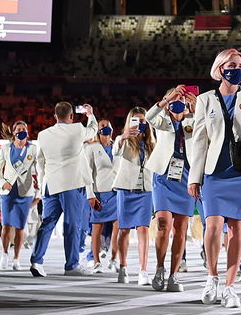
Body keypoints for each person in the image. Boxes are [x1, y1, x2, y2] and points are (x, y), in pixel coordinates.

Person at [189, 51, 241, 310]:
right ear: (220, 67)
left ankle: (230, 287)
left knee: (238, 231)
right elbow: (199, 141)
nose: (235, 68)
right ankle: (212, 278)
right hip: (214, 172)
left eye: (240, 65)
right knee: (212, 227)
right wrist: (194, 177)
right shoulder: (205, 100)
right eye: (231, 64)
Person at [28, 102, 99, 277]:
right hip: (72, 184)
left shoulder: (43, 135)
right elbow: (93, 129)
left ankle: (37, 261)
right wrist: (90, 114)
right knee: (72, 225)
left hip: (51, 184)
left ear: (54, 117)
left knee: (47, 223)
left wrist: (44, 181)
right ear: (72, 116)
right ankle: (71, 265)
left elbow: (40, 161)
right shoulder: (77, 129)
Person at [145, 86, 196, 293]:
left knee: (181, 230)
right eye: (177, 99)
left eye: (182, 100)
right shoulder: (163, 121)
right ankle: (159, 269)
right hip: (164, 176)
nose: (179, 102)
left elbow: (211, 127)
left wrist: (197, 108)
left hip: (186, 177)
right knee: (163, 224)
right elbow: (149, 117)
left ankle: (174, 274)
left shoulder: (193, 121)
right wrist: (166, 99)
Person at [112, 108, 154, 285]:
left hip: (145, 190)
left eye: (142, 120)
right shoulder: (123, 140)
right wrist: (124, 136)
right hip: (126, 189)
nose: (140, 124)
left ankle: (143, 270)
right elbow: (115, 151)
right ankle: (123, 266)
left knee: (144, 229)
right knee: (124, 229)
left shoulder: (152, 142)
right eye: (135, 120)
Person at [0, 120, 39, 270]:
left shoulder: (33, 149)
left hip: (25, 191)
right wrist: (3, 182)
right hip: (8, 190)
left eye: (24, 129)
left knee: (21, 226)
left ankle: (16, 258)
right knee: (6, 225)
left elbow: (39, 170)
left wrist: (38, 192)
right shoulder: (5, 148)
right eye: (19, 129)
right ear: (13, 132)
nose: (22, 131)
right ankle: (4, 253)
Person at [84, 118, 120, 274]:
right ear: (97, 130)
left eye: (108, 125)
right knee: (96, 229)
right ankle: (97, 261)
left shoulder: (117, 146)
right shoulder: (92, 148)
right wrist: (90, 195)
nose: (106, 128)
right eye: (102, 126)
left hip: (117, 192)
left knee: (118, 228)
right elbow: (87, 173)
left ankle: (114, 259)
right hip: (99, 193)